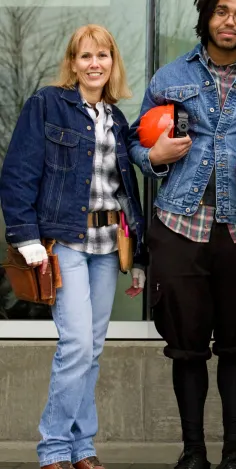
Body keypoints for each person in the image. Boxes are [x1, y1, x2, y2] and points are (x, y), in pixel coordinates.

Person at [128, 0, 236, 469]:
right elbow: (136, 142)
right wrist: (153, 155)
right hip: (179, 226)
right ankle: (194, 452)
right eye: (222, 12)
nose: (230, 22)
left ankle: (234, 455)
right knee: (186, 347)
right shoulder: (170, 75)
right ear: (206, 16)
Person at [0, 24, 146, 469]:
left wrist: (138, 256)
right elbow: (18, 173)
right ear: (73, 63)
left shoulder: (117, 120)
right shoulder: (46, 105)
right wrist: (26, 236)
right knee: (78, 343)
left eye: (103, 55)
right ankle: (54, 449)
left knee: (92, 348)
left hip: (107, 245)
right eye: (86, 56)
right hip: (64, 240)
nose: (95, 64)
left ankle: (83, 448)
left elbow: (128, 192)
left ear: (112, 63)